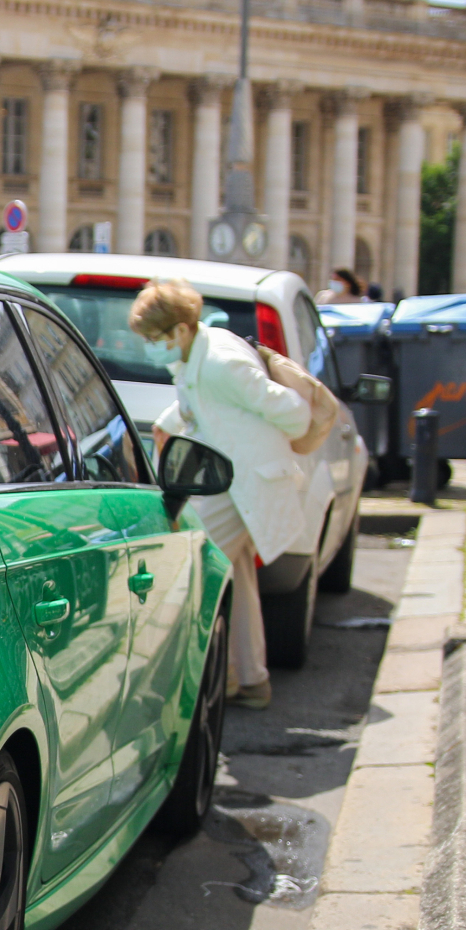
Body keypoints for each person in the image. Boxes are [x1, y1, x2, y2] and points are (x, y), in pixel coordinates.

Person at [130, 277, 333, 711]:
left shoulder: (220, 362)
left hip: (244, 483)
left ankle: (184, 683)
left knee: (191, 571)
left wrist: (252, 440)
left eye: (153, 338)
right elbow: (202, 405)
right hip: (236, 483)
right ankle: (247, 679)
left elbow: (294, 413)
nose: (149, 347)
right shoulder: (201, 350)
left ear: (179, 331)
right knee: (234, 576)